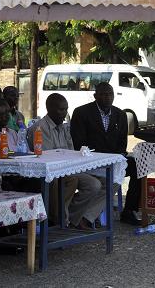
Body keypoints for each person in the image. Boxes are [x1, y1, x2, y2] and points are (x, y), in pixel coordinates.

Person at [27, 93, 103, 229]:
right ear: (49, 109)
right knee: (70, 181)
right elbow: (47, 157)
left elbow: (71, 151)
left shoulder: (64, 127)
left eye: (66, 109)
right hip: (52, 172)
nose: (64, 113)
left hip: (67, 168)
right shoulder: (39, 128)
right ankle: (61, 218)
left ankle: (71, 218)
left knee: (97, 184)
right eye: (60, 109)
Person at [70, 82, 142, 226]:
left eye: (110, 94)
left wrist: (115, 158)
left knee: (138, 166)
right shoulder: (82, 113)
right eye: (103, 94)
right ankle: (86, 217)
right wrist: (100, 158)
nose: (107, 98)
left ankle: (129, 211)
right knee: (113, 180)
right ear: (95, 96)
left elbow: (122, 144)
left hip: (112, 160)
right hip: (90, 161)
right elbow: (79, 143)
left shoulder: (120, 115)